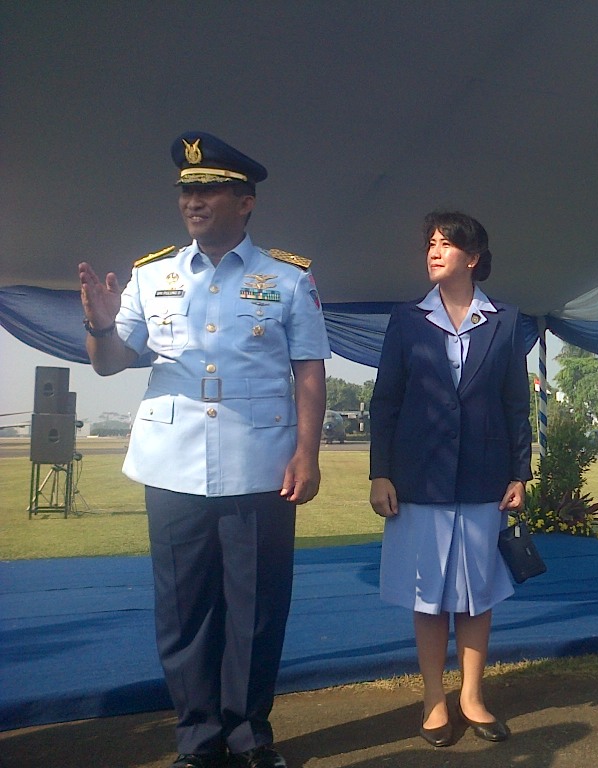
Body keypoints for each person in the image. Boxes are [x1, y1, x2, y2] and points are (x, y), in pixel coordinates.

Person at [78, 131, 330, 768]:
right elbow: (110, 363)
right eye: (187, 191)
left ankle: (248, 738)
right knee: (185, 609)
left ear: (245, 202)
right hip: (172, 461)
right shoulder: (150, 274)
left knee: (256, 608)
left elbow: (309, 372)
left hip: (260, 462)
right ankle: (197, 741)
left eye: (210, 189)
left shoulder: (288, 279)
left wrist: (308, 452)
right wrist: (101, 323)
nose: (194, 201)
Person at [369, 211, 532, 747]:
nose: (435, 251)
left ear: (474, 257)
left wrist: (518, 472)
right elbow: (386, 401)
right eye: (430, 243)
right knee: (429, 594)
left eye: (447, 244)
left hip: (484, 478)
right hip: (420, 479)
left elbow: (515, 402)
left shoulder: (505, 320)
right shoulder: (407, 320)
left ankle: (472, 696)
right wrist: (381, 473)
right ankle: (434, 699)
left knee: (475, 594)